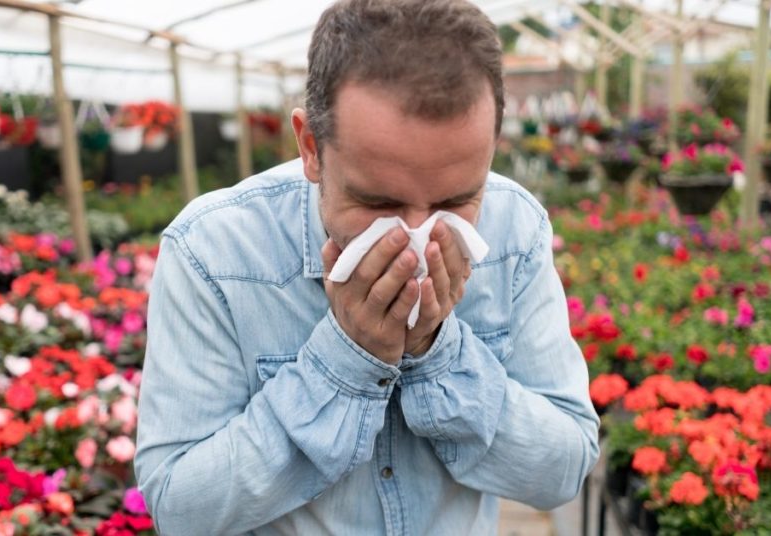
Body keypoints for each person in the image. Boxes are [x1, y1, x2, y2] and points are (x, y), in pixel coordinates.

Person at [133, 0, 600, 533]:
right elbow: (181, 508)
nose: (415, 240)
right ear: (311, 147)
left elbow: (563, 470)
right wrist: (346, 362)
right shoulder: (215, 252)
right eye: (378, 203)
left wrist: (437, 353)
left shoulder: (514, 228)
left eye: (454, 201)